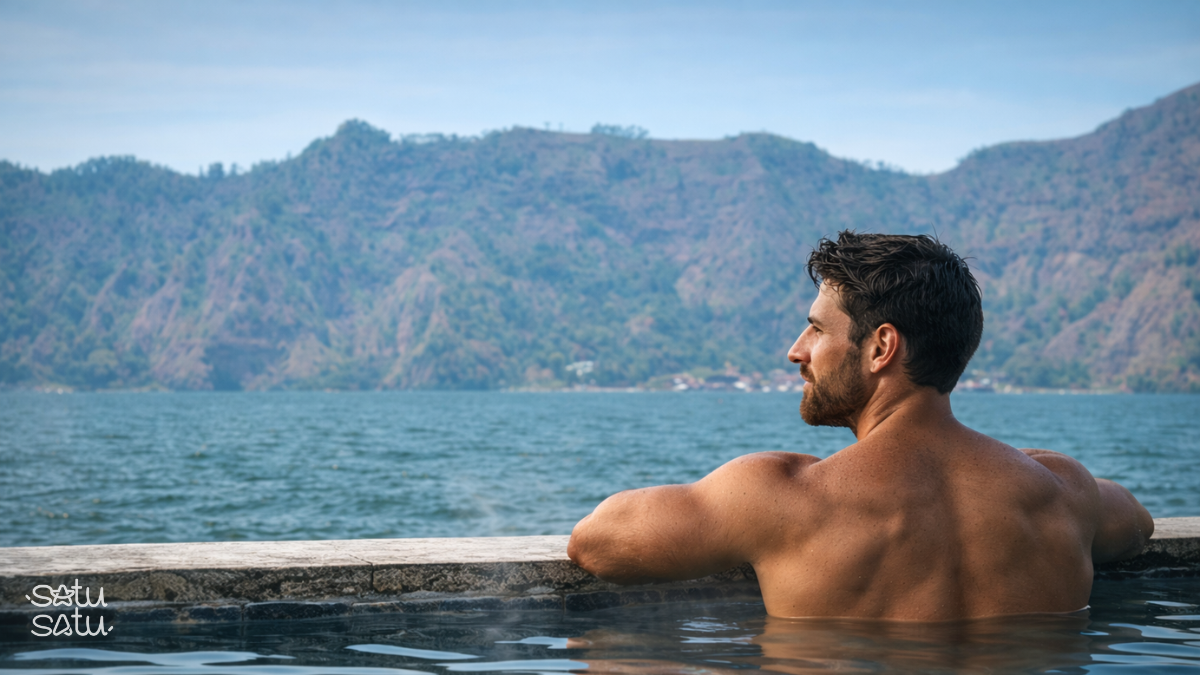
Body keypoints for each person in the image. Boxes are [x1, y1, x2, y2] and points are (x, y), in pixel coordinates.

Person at [567, 231, 1154, 621]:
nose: (796, 351)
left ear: (881, 348)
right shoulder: (1062, 492)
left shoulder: (782, 497)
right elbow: (1137, 526)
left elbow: (596, 542)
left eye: (817, 329)